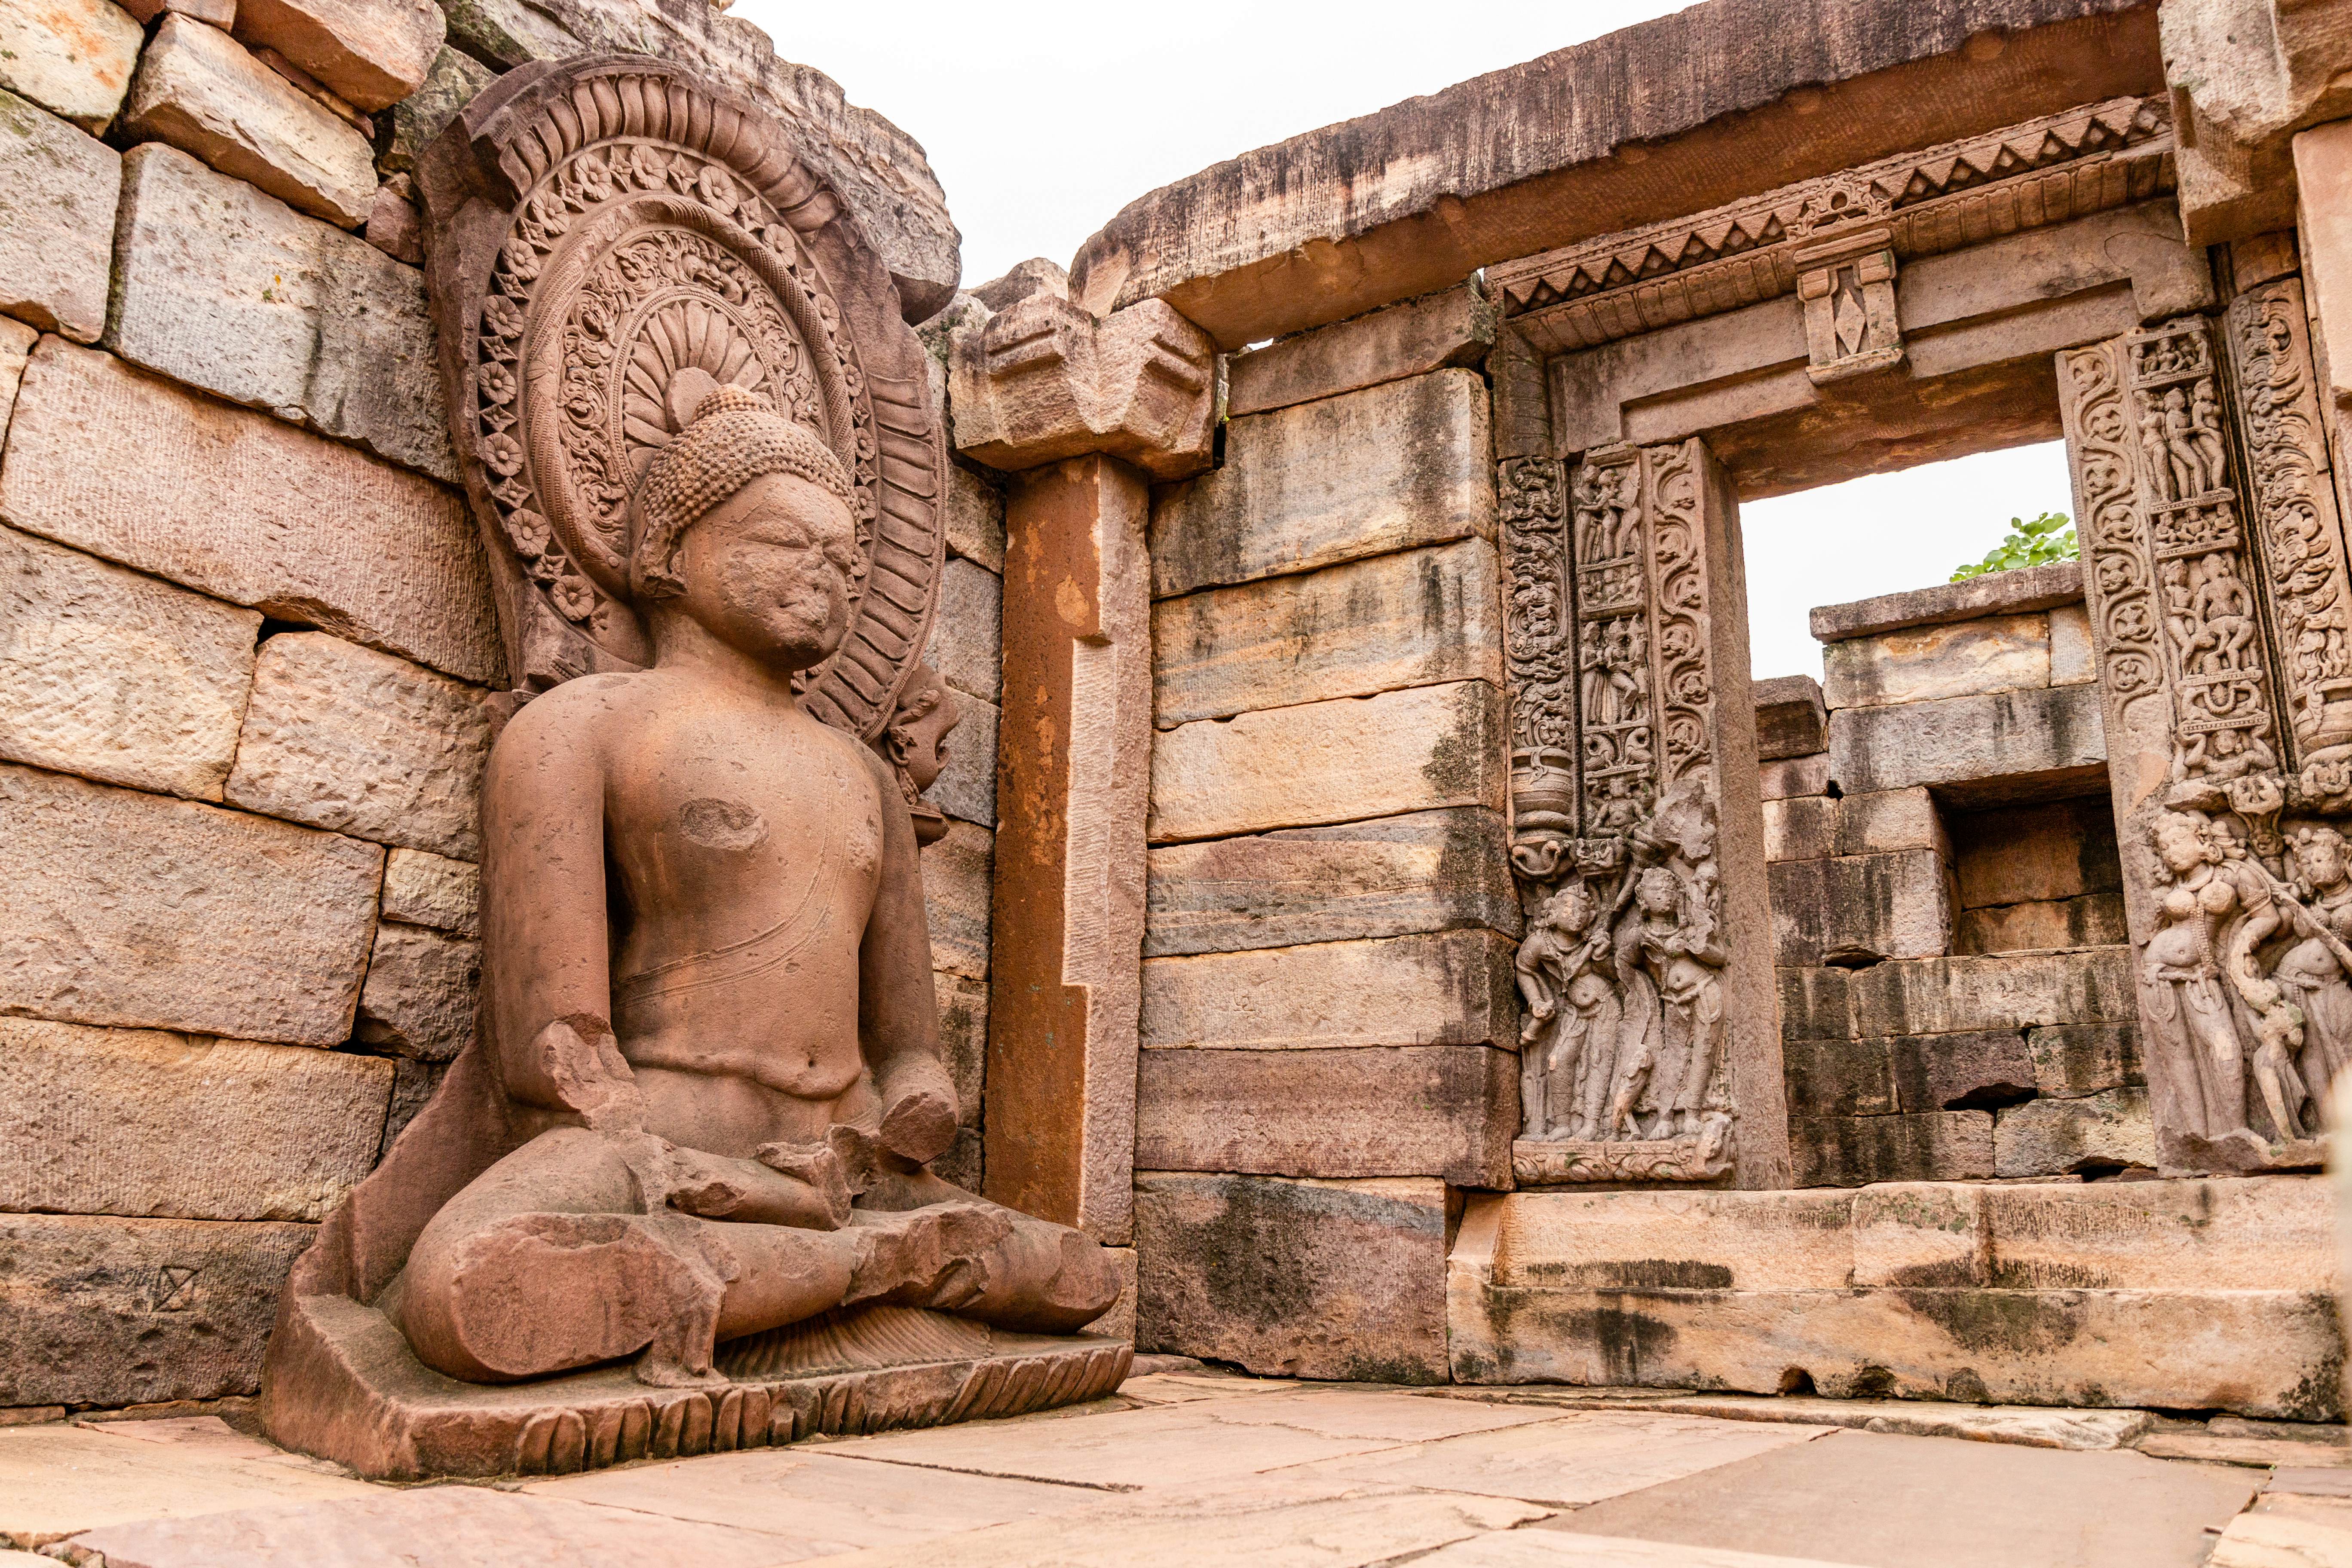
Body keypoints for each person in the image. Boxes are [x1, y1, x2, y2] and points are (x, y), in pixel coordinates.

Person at [382, 377, 1117, 1388]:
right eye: (783, 541)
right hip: (658, 1145)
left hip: (844, 1162)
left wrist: (916, 1100)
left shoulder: (864, 777)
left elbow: (908, 1047)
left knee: (1075, 1275)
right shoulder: (582, 728)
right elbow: (552, 1043)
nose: (823, 573)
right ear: (669, 553)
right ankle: (875, 1268)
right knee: (462, 1287)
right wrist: (653, 1154)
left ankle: (820, 1263)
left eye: (843, 559)